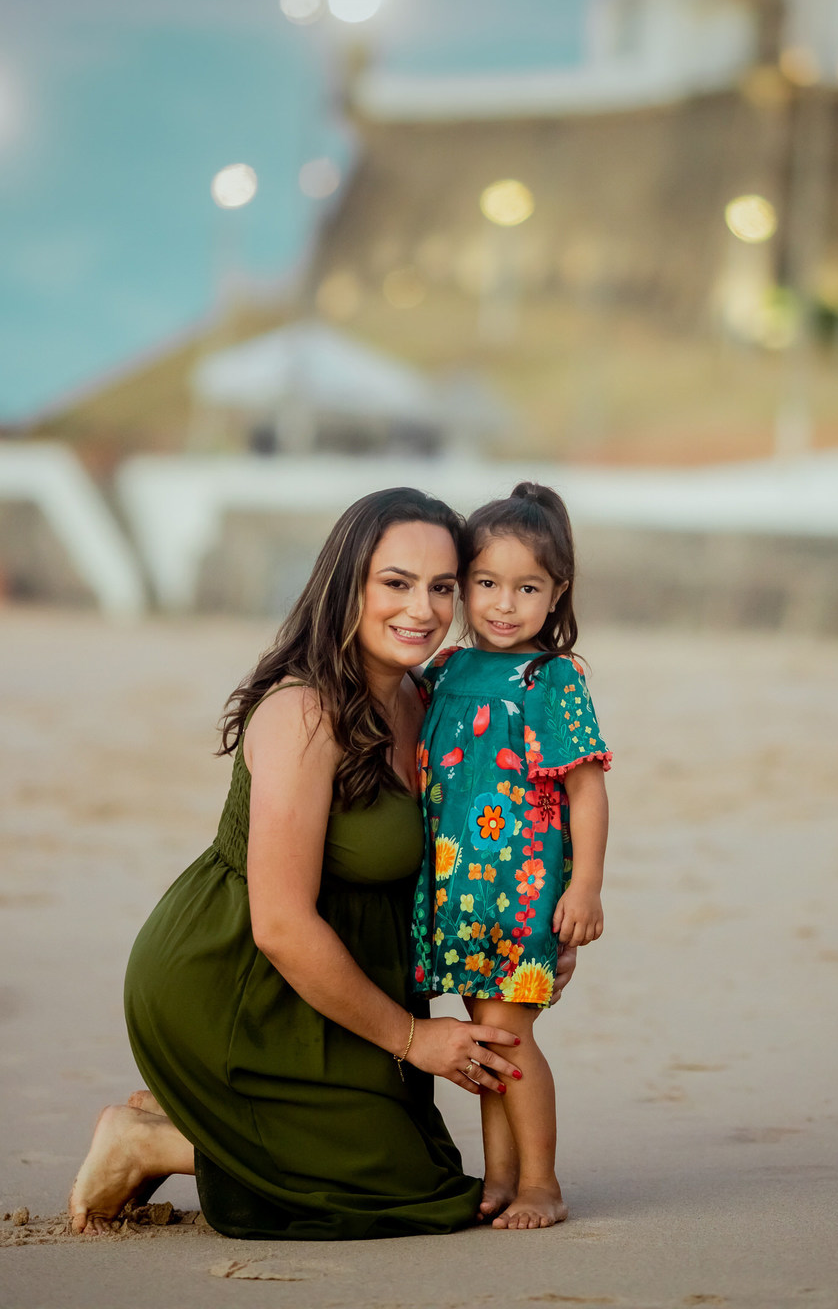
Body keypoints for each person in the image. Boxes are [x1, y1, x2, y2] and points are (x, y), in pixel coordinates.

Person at [68, 486, 576, 1239]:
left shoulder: (430, 699)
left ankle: (197, 1114)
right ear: (347, 585)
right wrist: (413, 1039)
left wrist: (537, 932)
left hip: (347, 974)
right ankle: (150, 1140)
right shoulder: (303, 714)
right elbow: (278, 925)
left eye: (442, 587)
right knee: (401, 1192)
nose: (423, 610)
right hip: (239, 977)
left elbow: (491, 845)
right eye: (396, 583)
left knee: (426, 1167)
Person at [411, 482, 610, 1230]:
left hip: (519, 894)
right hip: (456, 893)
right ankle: (499, 1177)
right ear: (463, 585)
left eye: (527, 588)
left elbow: (588, 791)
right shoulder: (446, 670)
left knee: (511, 1040)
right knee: (489, 1040)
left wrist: (585, 889)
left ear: (556, 594)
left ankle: (541, 1183)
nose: (503, 604)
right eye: (486, 583)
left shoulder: (550, 678)